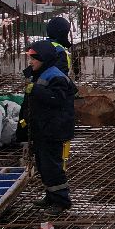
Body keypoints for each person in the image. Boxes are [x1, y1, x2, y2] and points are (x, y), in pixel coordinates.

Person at [22, 40, 77, 211]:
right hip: (43, 128)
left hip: (54, 130)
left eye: (34, 59)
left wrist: (36, 90)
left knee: (52, 166)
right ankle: (51, 195)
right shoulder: (40, 73)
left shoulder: (56, 76)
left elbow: (57, 99)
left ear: (44, 59)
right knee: (43, 165)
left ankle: (62, 200)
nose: (31, 62)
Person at [45, 14, 79, 78]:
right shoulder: (59, 51)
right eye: (67, 32)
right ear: (62, 33)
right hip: (53, 86)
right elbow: (59, 78)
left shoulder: (43, 46)